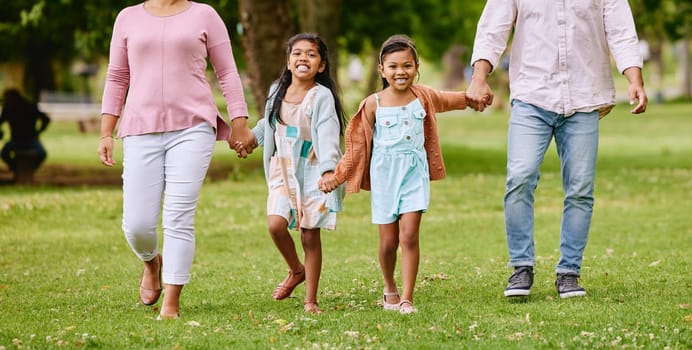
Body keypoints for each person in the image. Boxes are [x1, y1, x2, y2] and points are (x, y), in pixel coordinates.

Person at [465, 0, 648, 298]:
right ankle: (521, 267)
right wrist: (479, 78)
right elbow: (492, 28)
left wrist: (635, 79)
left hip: (584, 96)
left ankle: (569, 273)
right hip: (531, 95)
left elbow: (621, 31)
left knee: (580, 188)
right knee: (519, 177)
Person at [97, 0, 255, 320]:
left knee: (178, 215)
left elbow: (227, 71)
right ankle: (152, 262)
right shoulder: (127, 17)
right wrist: (105, 131)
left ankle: (171, 303)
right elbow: (117, 76)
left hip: (193, 127)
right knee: (138, 224)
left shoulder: (205, 15)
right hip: (140, 128)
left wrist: (239, 120)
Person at [319, 35, 472, 314]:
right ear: (381, 69)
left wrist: (471, 99)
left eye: (407, 65)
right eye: (393, 66)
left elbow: (447, 99)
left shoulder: (422, 96)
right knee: (389, 243)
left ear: (416, 67)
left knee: (410, 235)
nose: (400, 72)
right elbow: (356, 148)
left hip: (414, 173)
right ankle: (390, 287)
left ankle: (407, 298)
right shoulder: (373, 104)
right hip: (385, 177)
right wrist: (336, 176)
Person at [240, 33, 346, 314]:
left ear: (321, 66)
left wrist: (328, 171)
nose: (303, 58)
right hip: (282, 168)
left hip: (312, 168)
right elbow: (270, 122)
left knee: (310, 236)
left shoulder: (321, 97)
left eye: (311, 54)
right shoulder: (277, 90)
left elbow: (328, 134)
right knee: (276, 225)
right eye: (297, 53)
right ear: (288, 62)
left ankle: (311, 299)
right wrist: (252, 138)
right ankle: (295, 270)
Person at [0, 88, 50, 175]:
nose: (7, 101)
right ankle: (15, 169)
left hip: (31, 140)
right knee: (4, 153)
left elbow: (45, 119)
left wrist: (39, 131)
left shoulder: (29, 107)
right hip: (15, 140)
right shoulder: (8, 109)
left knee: (42, 154)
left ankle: (30, 170)